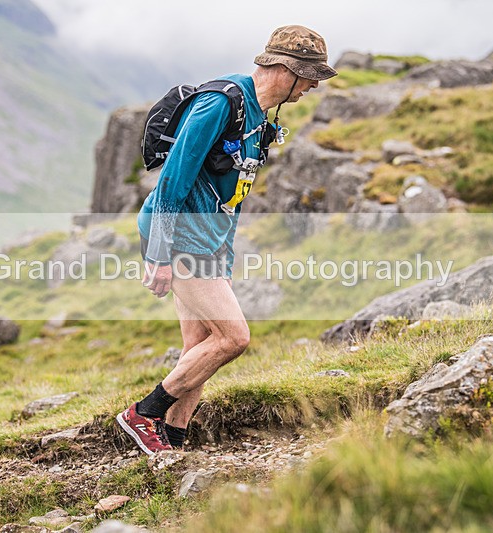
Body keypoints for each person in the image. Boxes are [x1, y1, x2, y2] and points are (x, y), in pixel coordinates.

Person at [116, 25, 337, 455]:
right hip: (179, 239)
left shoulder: (261, 117)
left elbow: (233, 199)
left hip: (209, 243)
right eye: (309, 74)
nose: (312, 85)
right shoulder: (219, 104)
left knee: (199, 346)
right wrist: (160, 256)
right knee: (234, 338)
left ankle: (174, 437)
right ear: (284, 68)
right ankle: (144, 413)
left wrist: (225, 256)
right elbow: (171, 184)